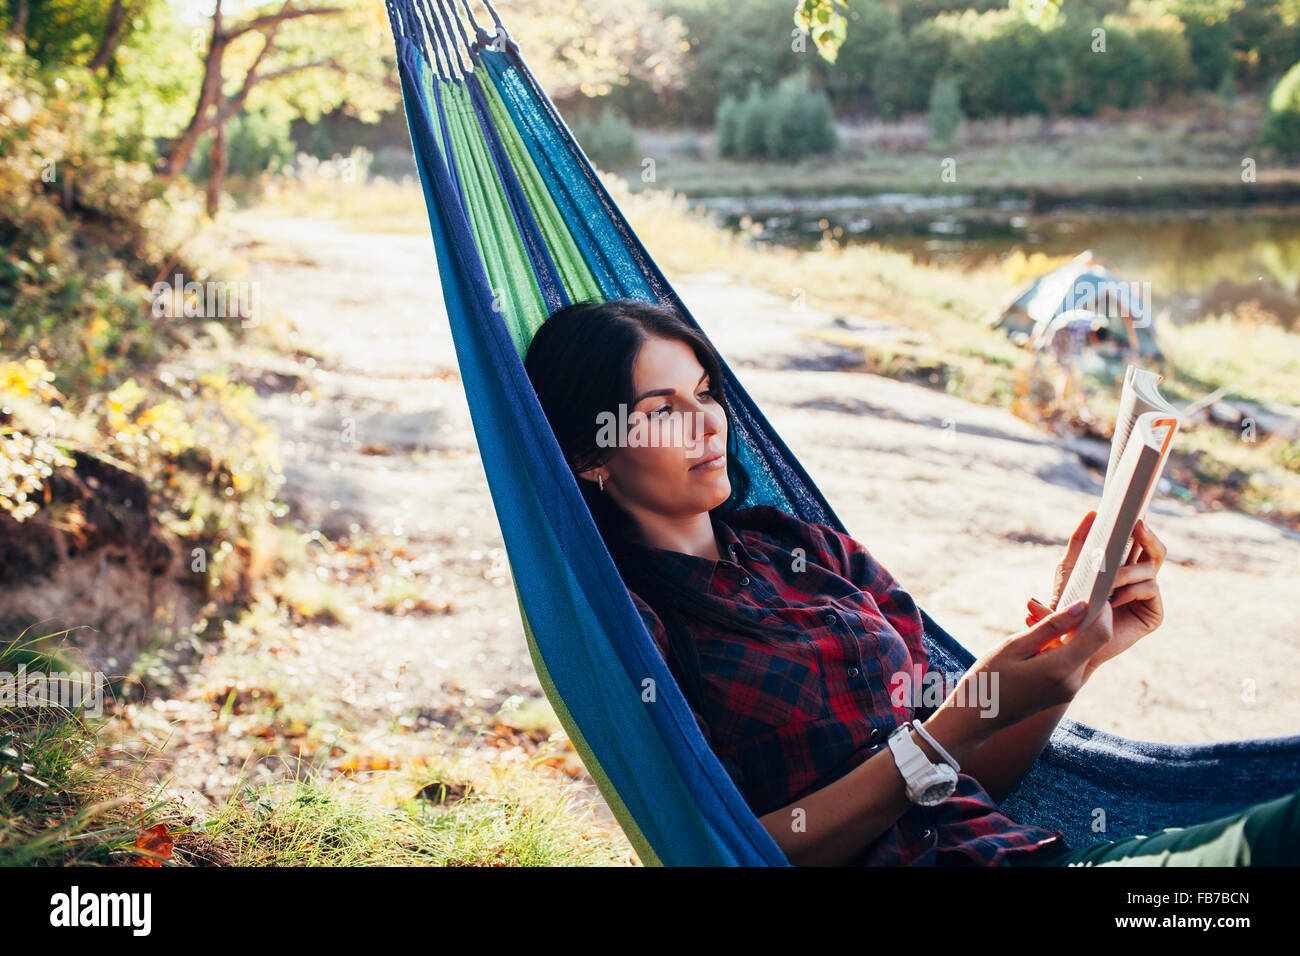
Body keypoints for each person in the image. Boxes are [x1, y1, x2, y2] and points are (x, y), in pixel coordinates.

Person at [522, 297, 1299, 867]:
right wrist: (945, 731)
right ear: (592, 454)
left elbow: (972, 776)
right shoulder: (632, 621)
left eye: (705, 394)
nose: (707, 424)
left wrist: (1077, 649)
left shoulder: (810, 552)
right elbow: (734, 851)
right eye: (662, 411)